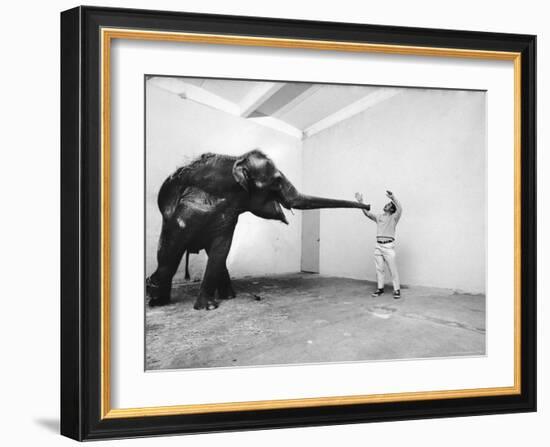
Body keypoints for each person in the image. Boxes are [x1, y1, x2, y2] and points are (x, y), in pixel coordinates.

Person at [355, 190, 402, 299]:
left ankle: (397, 290)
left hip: (388, 246)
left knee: (392, 269)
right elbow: (367, 213)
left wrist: (393, 198)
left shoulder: (394, 217)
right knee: (379, 269)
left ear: (392, 209)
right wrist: (360, 202)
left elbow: (400, 208)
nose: (386, 205)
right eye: (387, 204)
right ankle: (380, 289)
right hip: (378, 246)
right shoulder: (379, 217)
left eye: (389, 205)